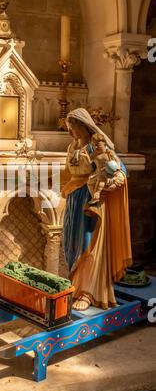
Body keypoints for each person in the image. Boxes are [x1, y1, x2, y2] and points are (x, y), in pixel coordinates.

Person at [61, 108, 132, 311]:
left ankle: (89, 292)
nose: (71, 131)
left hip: (91, 202)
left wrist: (107, 183)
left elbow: (118, 171)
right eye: (69, 127)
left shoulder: (96, 146)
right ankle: (76, 286)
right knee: (71, 243)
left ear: (84, 125)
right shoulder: (72, 146)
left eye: (74, 126)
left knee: (88, 244)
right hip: (74, 199)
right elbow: (69, 173)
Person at [87, 133, 123, 205]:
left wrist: (116, 171)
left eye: (98, 145)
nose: (96, 147)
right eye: (94, 145)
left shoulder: (109, 153)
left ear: (105, 145)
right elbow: (88, 163)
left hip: (109, 172)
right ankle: (94, 196)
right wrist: (85, 156)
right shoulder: (94, 154)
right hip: (99, 172)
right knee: (89, 182)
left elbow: (117, 161)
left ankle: (97, 194)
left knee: (101, 180)